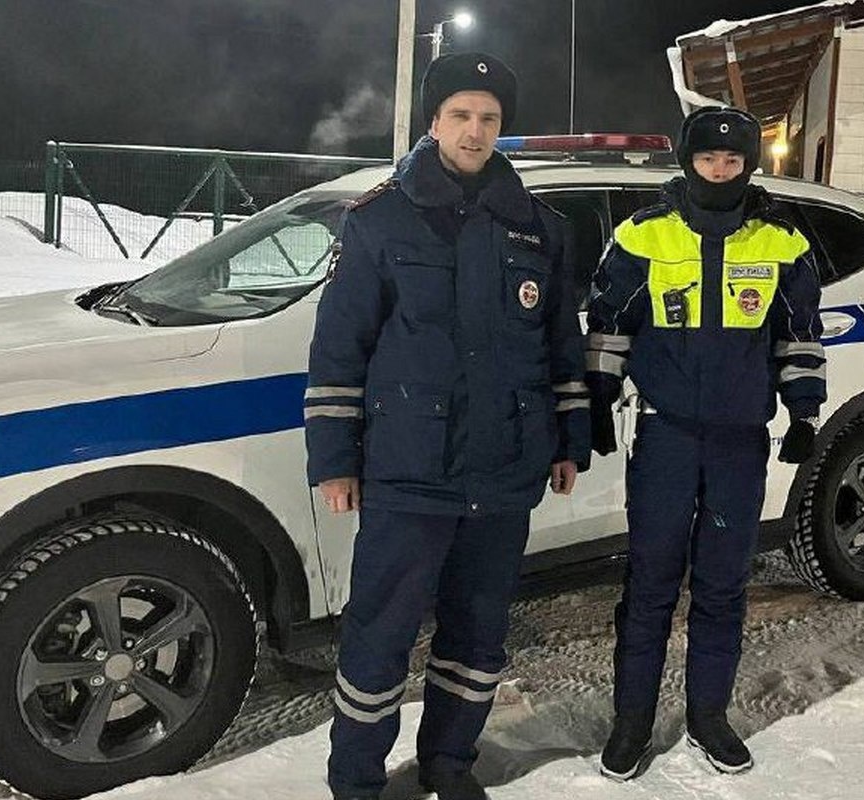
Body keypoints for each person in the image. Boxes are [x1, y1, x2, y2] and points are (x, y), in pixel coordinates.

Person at [304, 52, 592, 800]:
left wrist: (568, 440)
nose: (474, 130)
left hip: (504, 467)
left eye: (489, 118)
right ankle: (355, 781)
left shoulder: (538, 229)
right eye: (461, 114)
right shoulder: (380, 220)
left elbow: (561, 345)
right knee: (379, 635)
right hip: (409, 469)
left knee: (478, 635)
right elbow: (339, 349)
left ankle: (449, 763)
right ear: (434, 122)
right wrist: (334, 460)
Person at [585, 105, 826, 780]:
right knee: (650, 584)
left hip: (739, 444)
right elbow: (608, 323)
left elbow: (799, 334)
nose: (719, 171)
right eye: (707, 158)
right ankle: (632, 722)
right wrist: (598, 398)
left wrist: (804, 412)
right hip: (666, 436)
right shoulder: (643, 235)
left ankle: (708, 717)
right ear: (687, 161)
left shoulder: (782, 242)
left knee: (723, 586)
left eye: (732, 160)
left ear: (748, 166)